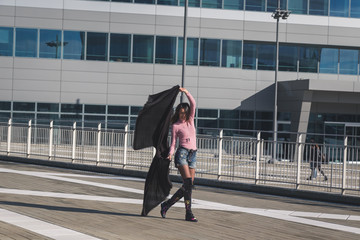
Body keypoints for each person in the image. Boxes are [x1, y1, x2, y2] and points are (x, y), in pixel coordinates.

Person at [160, 87, 198, 222]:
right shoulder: (175, 125)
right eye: (180, 113)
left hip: (193, 155)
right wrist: (170, 154)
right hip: (181, 154)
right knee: (188, 183)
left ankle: (166, 205)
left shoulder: (191, 120)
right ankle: (189, 213)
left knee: (188, 187)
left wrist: (186, 92)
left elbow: (193, 103)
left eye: (184, 112)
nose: (182, 115)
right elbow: (173, 143)